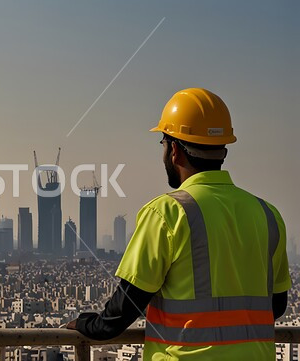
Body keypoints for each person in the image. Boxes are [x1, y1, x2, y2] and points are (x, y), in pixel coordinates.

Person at [66, 88, 290, 360]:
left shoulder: (167, 212)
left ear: (174, 149)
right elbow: (276, 306)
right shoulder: (268, 215)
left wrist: (86, 324)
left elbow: (120, 313)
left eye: (162, 143)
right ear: (222, 151)